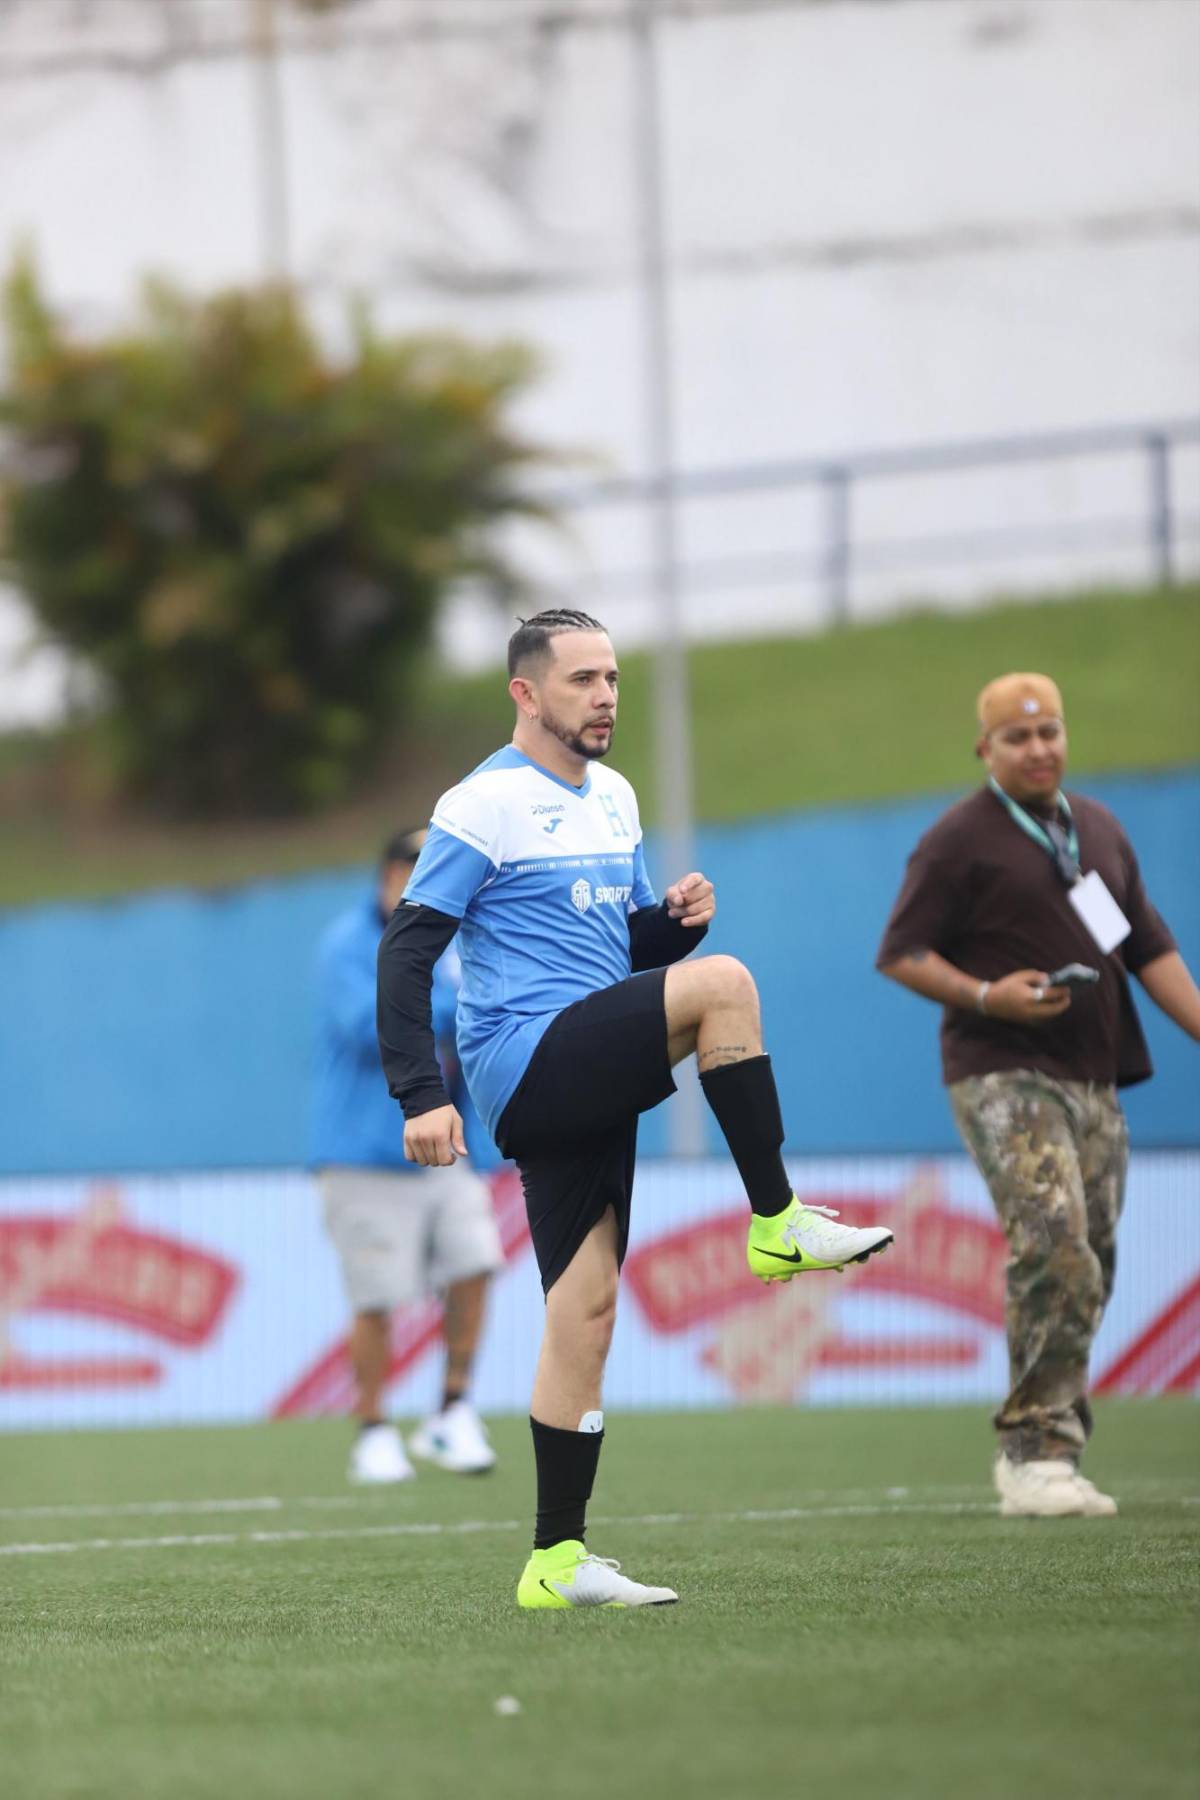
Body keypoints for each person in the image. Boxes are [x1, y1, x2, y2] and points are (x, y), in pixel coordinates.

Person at [378, 608, 893, 1609]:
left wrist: (672, 926)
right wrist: (421, 1094)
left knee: (586, 1312)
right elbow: (406, 952)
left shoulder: (613, 797)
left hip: (587, 1056)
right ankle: (778, 1222)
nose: (606, 694)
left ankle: (554, 1562)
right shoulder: (482, 804)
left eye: (613, 676)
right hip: (525, 1061)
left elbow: (623, 954)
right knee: (729, 986)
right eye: (582, 679)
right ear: (527, 695)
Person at [877, 672, 1200, 1518]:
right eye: (1016, 738)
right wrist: (990, 996)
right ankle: (1033, 1454)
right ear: (985, 751)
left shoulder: (1097, 829)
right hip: (1000, 1071)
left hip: (1095, 1072)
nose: (1038, 748)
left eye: (1049, 731)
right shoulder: (958, 840)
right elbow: (901, 953)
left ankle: (1055, 1441)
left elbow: (1148, 948)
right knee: (1053, 1241)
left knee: (1092, 1259)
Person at [313, 829, 503, 1485]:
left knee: (478, 1260)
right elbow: (368, 1026)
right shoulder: (348, 942)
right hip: (366, 1155)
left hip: (448, 1148)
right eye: (420, 865)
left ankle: (451, 1410)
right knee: (378, 1296)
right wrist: (458, 1002)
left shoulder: (453, 937)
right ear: (391, 873)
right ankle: (372, 1430)